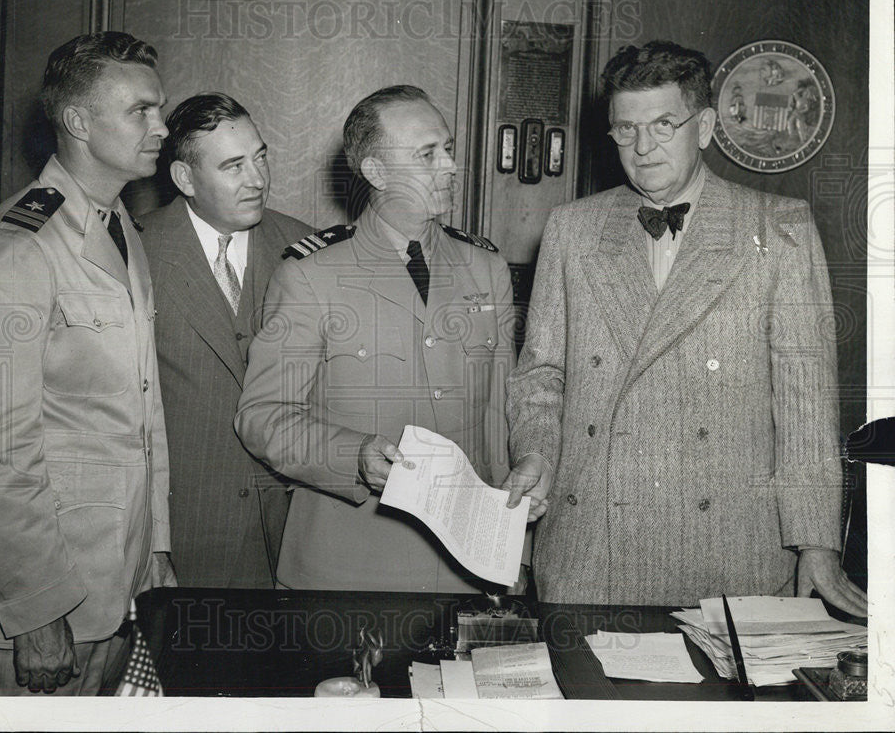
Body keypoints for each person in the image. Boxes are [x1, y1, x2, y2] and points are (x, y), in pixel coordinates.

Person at [504, 40, 868, 616]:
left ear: (703, 127)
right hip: (592, 549)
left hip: (730, 553)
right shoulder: (572, 229)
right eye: (625, 130)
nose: (643, 148)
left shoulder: (781, 227)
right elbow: (541, 376)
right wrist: (535, 456)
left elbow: (805, 406)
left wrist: (816, 543)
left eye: (663, 124)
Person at [0, 32, 176, 695]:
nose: (161, 126)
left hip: (110, 586)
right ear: (76, 122)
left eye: (159, 109)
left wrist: (153, 547)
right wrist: (39, 613)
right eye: (141, 111)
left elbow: (141, 407)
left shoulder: (116, 225)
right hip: (33, 612)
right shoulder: (14, 255)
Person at [235, 85, 516, 592]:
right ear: (376, 172)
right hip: (349, 569)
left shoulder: (485, 266)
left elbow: (502, 413)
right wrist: (352, 456)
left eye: (448, 149)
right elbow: (262, 415)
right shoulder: (311, 275)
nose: (450, 166)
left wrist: (514, 546)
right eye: (427, 155)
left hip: (470, 570)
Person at [138, 93, 312, 587]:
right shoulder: (134, 252)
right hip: (183, 539)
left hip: (291, 532)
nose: (257, 180)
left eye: (260, 157)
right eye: (233, 166)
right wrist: (152, 545)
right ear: (184, 179)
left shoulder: (308, 250)